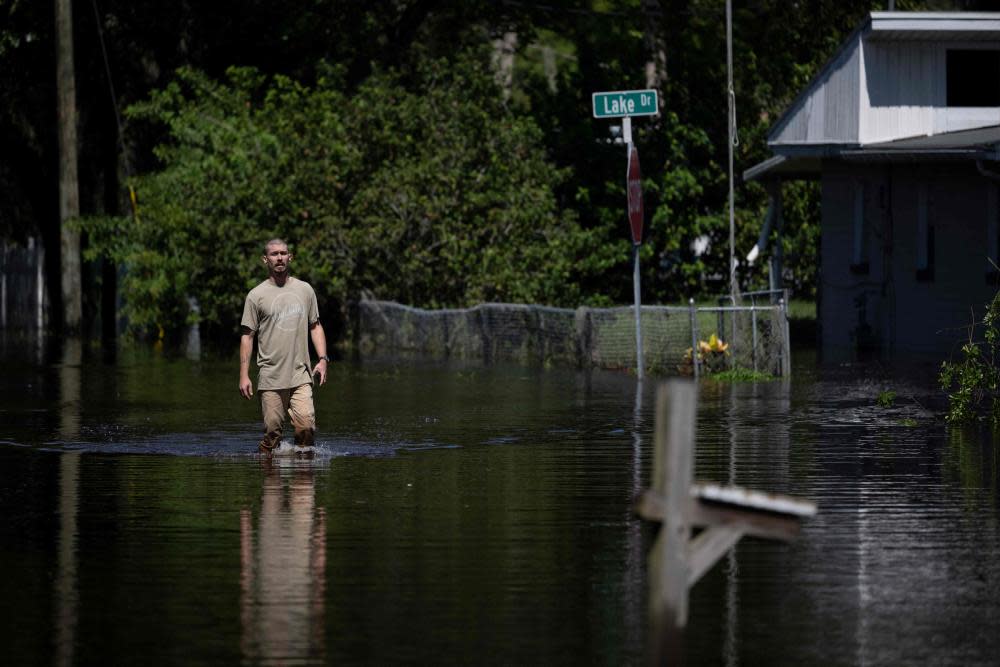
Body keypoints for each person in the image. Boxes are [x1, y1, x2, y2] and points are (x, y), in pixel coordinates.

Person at [239, 238, 329, 455]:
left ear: (290, 257)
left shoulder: (305, 290)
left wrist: (323, 359)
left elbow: (315, 326)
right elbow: (247, 337)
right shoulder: (256, 296)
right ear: (265, 259)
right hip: (271, 376)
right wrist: (244, 375)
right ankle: (269, 474)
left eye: (283, 253)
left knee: (306, 428)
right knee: (272, 434)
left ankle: (303, 478)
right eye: (273, 254)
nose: (279, 257)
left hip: (301, 374)